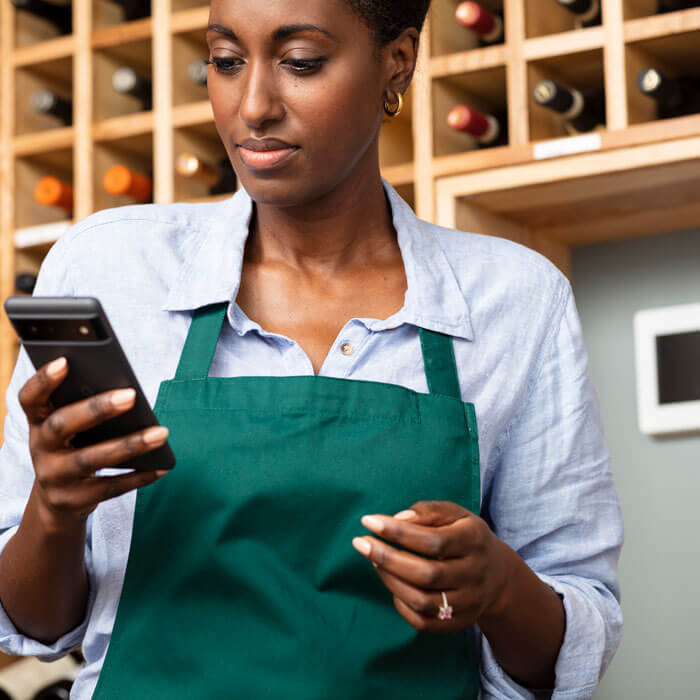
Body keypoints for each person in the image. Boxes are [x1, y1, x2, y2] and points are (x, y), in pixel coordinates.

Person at [0, 0, 623, 697]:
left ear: (398, 62)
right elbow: (36, 626)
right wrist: (55, 511)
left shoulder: (515, 300)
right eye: (226, 61)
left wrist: (501, 587)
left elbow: (574, 639)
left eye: (300, 63)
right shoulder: (110, 270)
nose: (253, 105)